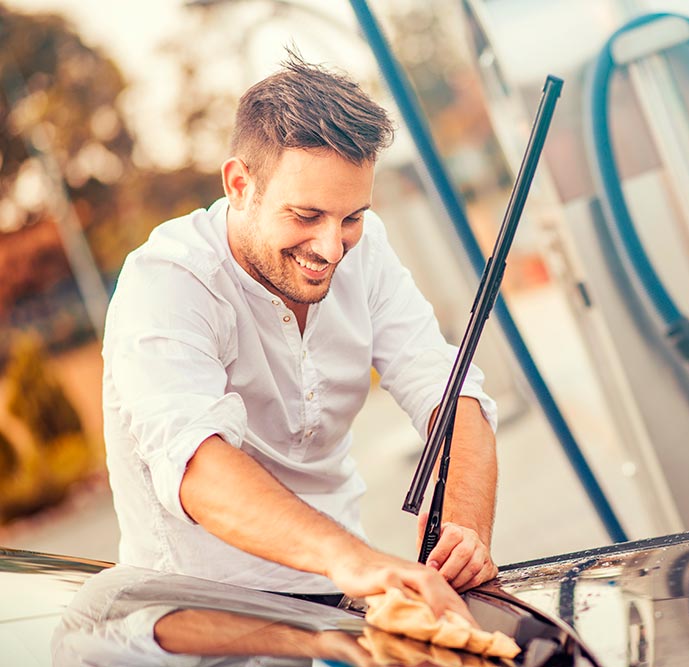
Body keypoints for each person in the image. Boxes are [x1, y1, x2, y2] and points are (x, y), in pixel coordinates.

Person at [102, 53, 499, 621]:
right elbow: (195, 464)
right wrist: (357, 560)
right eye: (306, 215)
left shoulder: (365, 249)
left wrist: (464, 524)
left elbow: (448, 388)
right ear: (241, 184)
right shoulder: (167, 283)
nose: (332, 248)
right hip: (194, 620)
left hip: (338, 601)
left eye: (351, 217)